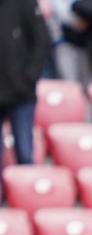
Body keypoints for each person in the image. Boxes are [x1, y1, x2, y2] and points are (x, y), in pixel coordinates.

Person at [0, 0, 50, 176]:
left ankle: (28, 200)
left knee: (25, 154)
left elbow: (41, 41)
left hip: (21, 94)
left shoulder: (24, 3)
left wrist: (27, 78)